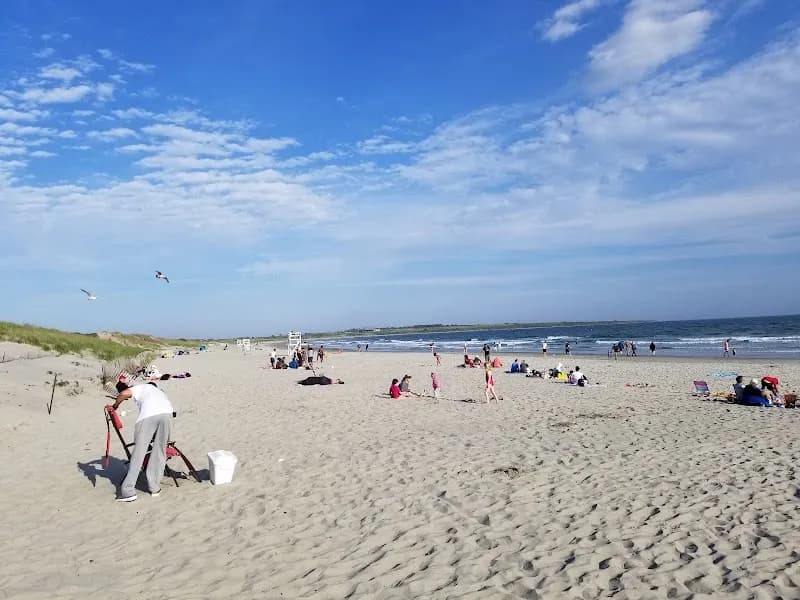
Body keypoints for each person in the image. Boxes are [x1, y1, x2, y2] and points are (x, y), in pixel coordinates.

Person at [109, 382, 174, 502]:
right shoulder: (159, 392)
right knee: (160, 451)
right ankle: (154, 487)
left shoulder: (142, 387)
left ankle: (128, 491)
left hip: (148, 416)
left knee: (139, 453)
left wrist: (116, 404)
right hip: (168, 414)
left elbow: (124, 393)